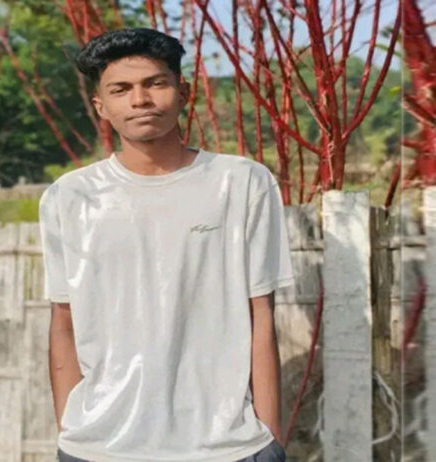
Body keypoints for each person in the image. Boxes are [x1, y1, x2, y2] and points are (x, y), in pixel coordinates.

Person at [39, 27, 295, 462]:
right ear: (101, 106)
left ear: (184, 92)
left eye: (155, 83)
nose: (140, 100)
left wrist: (268, 436)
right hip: (100, 447)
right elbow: (64, 321)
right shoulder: (71, 196)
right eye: (121, 89)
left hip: (228, 447)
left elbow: (261, 315)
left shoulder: (241, 183)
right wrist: (72, 428)